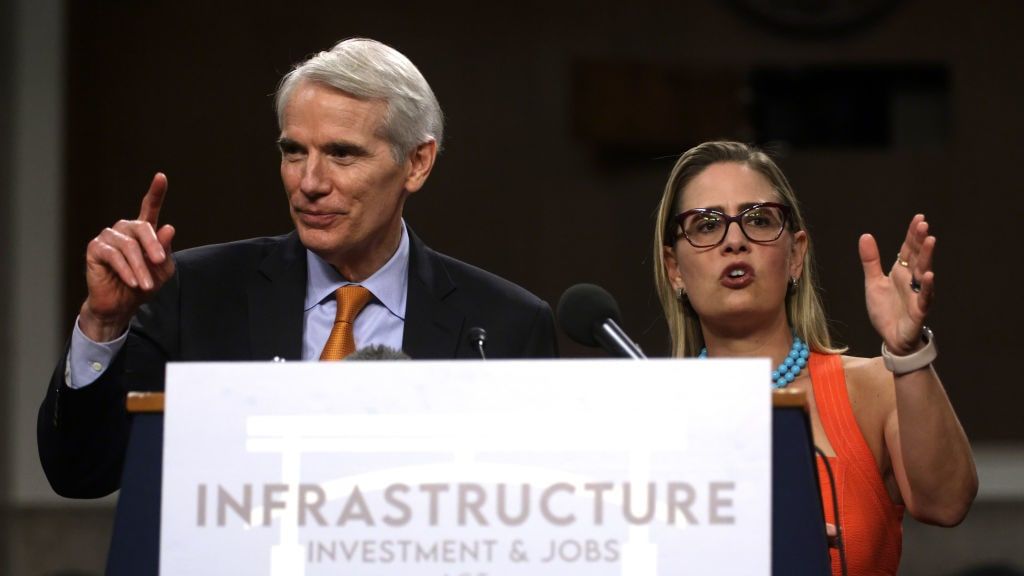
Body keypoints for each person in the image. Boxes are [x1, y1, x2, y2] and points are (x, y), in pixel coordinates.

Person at [38, 38, 558, 499]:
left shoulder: (506, 326)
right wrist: (102, 326)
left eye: (342, 154)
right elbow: (81, 474)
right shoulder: (193, 293)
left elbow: (533, 510)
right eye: (293, 152)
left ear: (417, 163)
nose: (309, 182)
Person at [653, 141, 976, 575]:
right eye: (707, 225)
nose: (734, 240)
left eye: (758, 220)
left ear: (796, 256)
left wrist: (909, 352)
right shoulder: (645, 417)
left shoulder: (872, 388)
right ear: (674, 268)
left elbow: (947, 502)